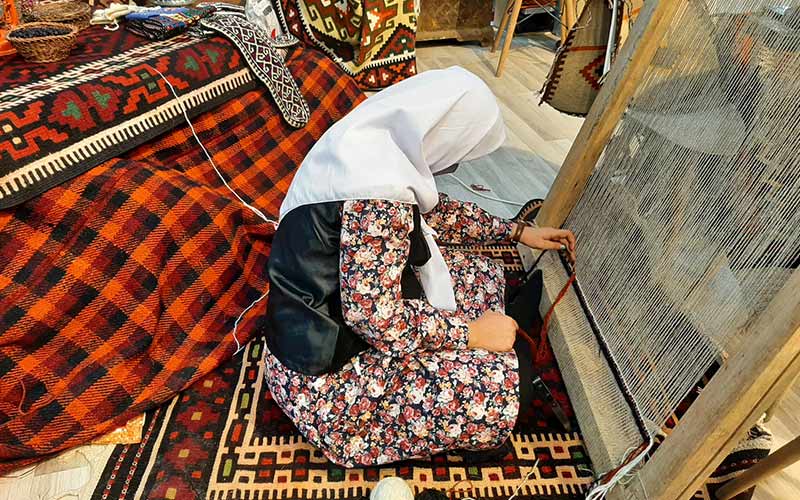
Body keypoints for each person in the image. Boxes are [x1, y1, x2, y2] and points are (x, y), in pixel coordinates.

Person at [263, 66, 576, 467]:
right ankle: (494, 392)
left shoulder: (367, 146)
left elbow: (433, 215)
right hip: (326, 385)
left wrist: (516, 232)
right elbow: (377, 321)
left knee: (476, 273)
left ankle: (503, 330)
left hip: (327, 323)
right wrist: (472, 335)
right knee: (506, 385)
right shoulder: (377, 195)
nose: (455, 165)